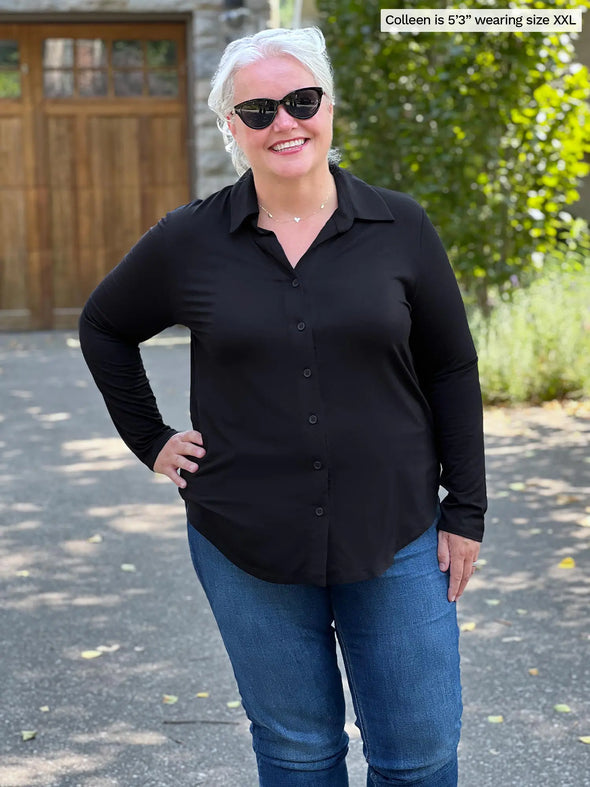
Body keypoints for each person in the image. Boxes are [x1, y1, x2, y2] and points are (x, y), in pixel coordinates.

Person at [79, 26, 486, 787]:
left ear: (329, 107)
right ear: (231, 128)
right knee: (298, 754)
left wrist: (466, 509)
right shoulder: (188, 240)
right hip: (246, 541)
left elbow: (452, 367)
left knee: (421, 754)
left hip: (396, 532)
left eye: (301, 101)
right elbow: (104, 325)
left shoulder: (403, 227)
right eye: (258, 110)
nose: (284, 122)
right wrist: (152, 438)